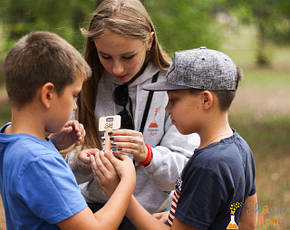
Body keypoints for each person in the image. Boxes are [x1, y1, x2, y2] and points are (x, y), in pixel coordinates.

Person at [66, 0, 200, 228]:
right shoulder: (83, 86)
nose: (117, 69)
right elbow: (59, 163)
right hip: (92, 211)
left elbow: (185, 173)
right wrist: (80, 163)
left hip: (151, 217)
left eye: (128, 57)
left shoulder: (174, 88)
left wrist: (148, 155)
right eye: (105, 56)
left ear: (149, 40)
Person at [94, 47, 258, 230]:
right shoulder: (241, 148)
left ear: (206, 100)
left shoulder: (207, 165)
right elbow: (248, 220)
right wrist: (178, 215)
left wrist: (121, 193)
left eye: (173, 100)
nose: (167, 109)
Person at [0, 31, 136, 230]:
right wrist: (127, 181)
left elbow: (29, 179)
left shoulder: (8, 139)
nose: (74, 106)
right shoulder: (40, 162)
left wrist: (53, 144)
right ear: (48, 94)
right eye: (74, 95)